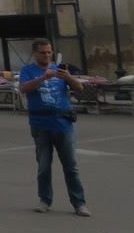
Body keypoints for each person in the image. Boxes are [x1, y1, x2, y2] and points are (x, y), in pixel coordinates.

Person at [18, 39, 90, 216]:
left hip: (62, 124)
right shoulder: (28, 70)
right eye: (43, 52)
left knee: (71, 166)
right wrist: (43, 77)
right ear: (35, 53)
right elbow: (23, 88)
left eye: (49, 52)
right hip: (40, 124)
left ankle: (79, 203)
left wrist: (68, 77)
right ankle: (45, 199)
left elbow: (80, 88)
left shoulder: (60, 70)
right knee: (43, 165)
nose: (47, 55)